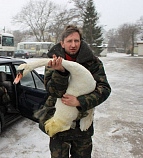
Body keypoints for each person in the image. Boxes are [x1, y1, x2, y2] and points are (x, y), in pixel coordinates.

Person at [38, 25, 111, 158]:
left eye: (76, 41)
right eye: (69, 41)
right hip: (59, 123)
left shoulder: (93, 63)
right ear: (62, 43)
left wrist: (80, 101)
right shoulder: (53, 62)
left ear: (81, 42)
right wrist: (60, 72)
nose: (73, 45)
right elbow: (52, 91)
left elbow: (104, 89)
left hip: (82, 126)